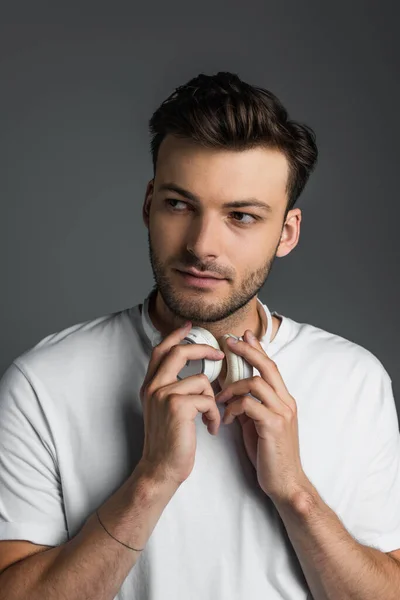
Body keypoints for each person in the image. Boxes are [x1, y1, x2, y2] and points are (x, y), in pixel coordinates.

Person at [0, 71, 400, 600]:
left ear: (287, 232)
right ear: (148, 205)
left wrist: (296, 494)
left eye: (241, 216)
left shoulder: (354, 379)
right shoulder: (42, 382)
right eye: (179, 205)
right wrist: (152, 478)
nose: (202, 245)